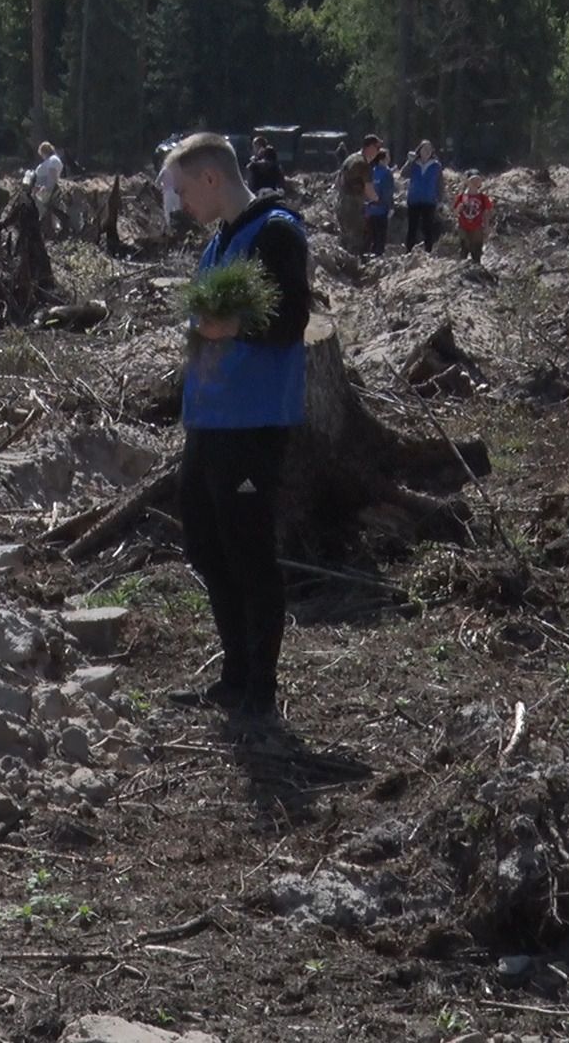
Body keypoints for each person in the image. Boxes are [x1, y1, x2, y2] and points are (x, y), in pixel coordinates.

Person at [161, 132, 311, 723]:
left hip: (252, 423)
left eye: (183, 192)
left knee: (249, 552)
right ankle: (233, 676)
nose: (182, 205)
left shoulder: (275, 232)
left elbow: (293, 318)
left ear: (211, 178)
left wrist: (235, 327)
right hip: (210, 422)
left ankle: (260, 692)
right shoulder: (219, 241)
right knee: (205, 543)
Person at [335, 134, 380, 254]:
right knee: (356, 239)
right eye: (376, 148)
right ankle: (354, 263)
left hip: (342, 203)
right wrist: (378, 200)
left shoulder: (351, 158)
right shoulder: (363, 164)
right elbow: (369, 189)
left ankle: (344, 261)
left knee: (345, 238)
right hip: (353, 207)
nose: (378, 151)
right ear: (370, 147)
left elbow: (338, 181)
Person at [400, 141, 443, 253]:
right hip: (414, 199)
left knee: (428, 228)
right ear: (419, 151)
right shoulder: (414, 164)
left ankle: (428, 251)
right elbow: (403, 174)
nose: (427, 151)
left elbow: (439, 184)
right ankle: (408, 251)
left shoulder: (436, 165)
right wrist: (409, 162)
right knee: (412, 227)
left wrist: (440, 200)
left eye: (429, 149)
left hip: (429, 200)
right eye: (425, 149)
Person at [453, 173, 494, 265]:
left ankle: (477, 269)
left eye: (477, 180)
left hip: (477, 228)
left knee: (476, 252)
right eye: (473, 180)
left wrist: (487, 227)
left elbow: (486, 213)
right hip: (463, 227)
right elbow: (455, 213)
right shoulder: (461, 196)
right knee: (463, 251)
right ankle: (462, 269)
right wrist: (458, 208)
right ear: (468, 182)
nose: (475, 183)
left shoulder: (483, 198)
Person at [32, 141, 65, 236]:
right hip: (41, 189)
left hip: (45, 191)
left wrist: (46, 188)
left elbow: (52, 177)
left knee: (40, 210)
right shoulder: (51, 160)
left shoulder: (53, 160)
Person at [366, 150, 395, 256]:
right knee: (381, 236)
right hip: (382, 209)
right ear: (382, 159)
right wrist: (391, 206)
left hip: (370, 210)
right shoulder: (387, 173)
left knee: (372, 236)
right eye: (387, 157)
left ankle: (371, 255)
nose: (389, 159)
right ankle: (378, 256)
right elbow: (388, 192)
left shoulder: (371, 172)